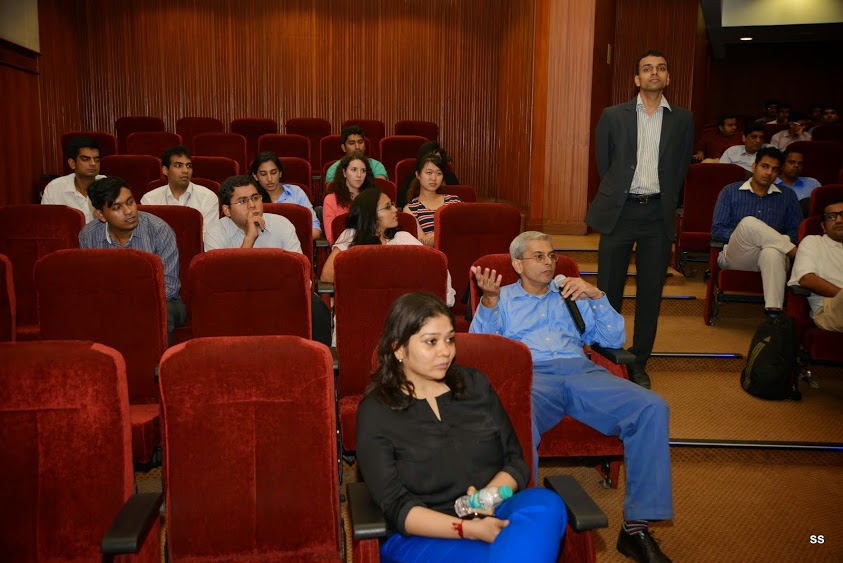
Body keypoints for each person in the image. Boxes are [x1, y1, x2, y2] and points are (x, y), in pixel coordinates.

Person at [470, 231, 673, 563]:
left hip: (582, 372)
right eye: (539, 256)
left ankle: (635, 529)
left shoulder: (571, 294)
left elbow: (612, 339)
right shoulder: (500, 297)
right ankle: (522, 520)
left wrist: (597, 296)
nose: (549, 262)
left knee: (652, 406)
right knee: (517, 418)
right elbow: (480, 351)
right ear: (517, 264)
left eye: (552, 256)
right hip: (532, 376)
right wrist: (489, 303)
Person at [356, 292, 567, 562]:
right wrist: (468, 529)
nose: (445, 351)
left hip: (492, 511)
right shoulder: (376, 410)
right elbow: (397, 506)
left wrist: (487, 498)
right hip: (422, 534)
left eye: (449, 339)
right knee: (503, 552)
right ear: (398, 348)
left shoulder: (475, 384)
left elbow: (515, 461)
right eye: (431, 342)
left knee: (547, 504)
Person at [586, 49, 694, 388]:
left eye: (661, 68)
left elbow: (681, 166)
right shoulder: (612, 115)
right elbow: (604, 163)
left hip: (657, 216)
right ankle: (607, 355)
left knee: (650, 294)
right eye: (647, 68)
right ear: (637, 78)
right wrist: (621, 193)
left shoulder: (683, 119)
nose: (654, 73)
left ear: (668, 77)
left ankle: (639, 361)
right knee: (608, 290)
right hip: (620, 212)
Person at [204, 175, 331, 345]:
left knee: (317, 308)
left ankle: (319, 357)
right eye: (243, 201)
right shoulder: (215, 232)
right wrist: (249, 238)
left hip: (281, 296)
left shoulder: (282, 225)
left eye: (255, 198)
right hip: (237, 300)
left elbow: (301, 275)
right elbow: (221, 285)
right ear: (227, 210)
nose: (252, 205)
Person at [79, 177, 186, 341]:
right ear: (101, 215)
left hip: (162, 301)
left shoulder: (159, 231)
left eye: (130, 202)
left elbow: (170, 287)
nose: (128, 211)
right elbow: (90, 285)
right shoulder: (89, 236)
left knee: (160, 315)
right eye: (117, 207)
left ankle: (158, 359)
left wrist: (128, 304)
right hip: (109, 303)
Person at [320, 188, 456, 305]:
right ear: (371, 214)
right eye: (387, 207)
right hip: (363, 305)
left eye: (392, 205)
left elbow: (435, 266)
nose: (395, 209)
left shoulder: (403, 238)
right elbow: (327, 274)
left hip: (401, 308)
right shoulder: (351, 236)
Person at [711, 147, 802, 316]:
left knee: (771, 251)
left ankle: (774, 314)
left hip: (774, 256)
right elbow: (718, 230)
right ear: (754, 166)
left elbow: (796, 231)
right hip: (739, 254)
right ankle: (796, 253)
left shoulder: (788, 196)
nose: (769, 173)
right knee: (749, 223)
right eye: (765, 166)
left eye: (775, 169)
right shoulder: (730, 191)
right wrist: (748, 235)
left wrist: (769, 240)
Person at [788, 198, 843, 332]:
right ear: (823, 226)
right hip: (829, 309)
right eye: (831, 217)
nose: (839, 220)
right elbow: (806, 279)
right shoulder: (813, 242)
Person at [140, 145, 220, 235]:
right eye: (178, 165)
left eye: (189, 166)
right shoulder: (149, 200)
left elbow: (208, 237)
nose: (185, 170)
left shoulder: (207, 197)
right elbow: (148, 236)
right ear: (165, 170)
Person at [250, 151, 321, 240]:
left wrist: (290, 241)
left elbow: (315, 229)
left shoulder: (296, 192)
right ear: (255, 176)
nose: (269, 179)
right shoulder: (250, 198)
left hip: (295, 245)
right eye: (263, 174)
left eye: (273, 172)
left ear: (280, 173)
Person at [41, 135, 106, 223]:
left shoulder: (108, 186)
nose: (93, 163)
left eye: (96, 159)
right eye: (85, 159)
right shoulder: (55, 188)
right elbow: (47, 223)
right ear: (72, 163)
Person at [403, 155, 462, 246]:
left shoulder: (454, 200)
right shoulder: (410, 209)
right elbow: (423, 242)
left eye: (439, 173)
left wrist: (433, 235)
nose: (434, 178)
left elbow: (465, 230)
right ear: (418, 174)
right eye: (429, 173)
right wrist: (452, 230)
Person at [322, 151, 375, 242]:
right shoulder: (331, 200)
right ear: (344, 172)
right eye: (354, 170)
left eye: (363, 170)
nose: (359, 175)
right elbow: (331, 237)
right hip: (343, 247)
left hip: (370, 246)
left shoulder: (373, 197)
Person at [397, 141, 461, 208]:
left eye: (437, 158)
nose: (434, 178)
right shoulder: (412, 177)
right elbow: (401, 201)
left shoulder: (454, 198)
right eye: (429, 172)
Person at [324, 125, 388, 182]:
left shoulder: (376, 166)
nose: (357, 147)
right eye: (352, 143)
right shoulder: (334, 169)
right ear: (343, 147)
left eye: (360, 142)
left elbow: (380, 187)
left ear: (365, 145)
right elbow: (333, 189)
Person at [774, 148, 821, 217]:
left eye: (800, 163)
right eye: (792, 162)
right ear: (782, 165)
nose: (796, 166)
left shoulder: (813, 183)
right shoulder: (771, 183)